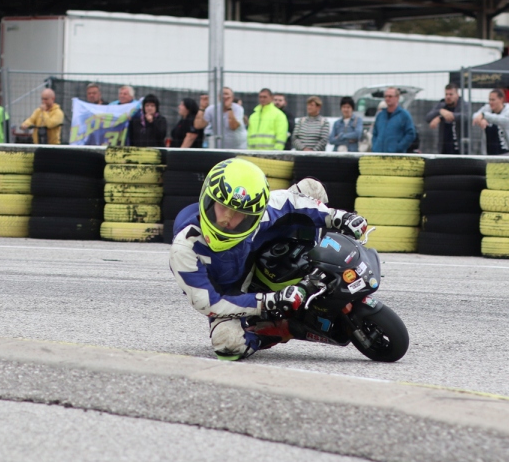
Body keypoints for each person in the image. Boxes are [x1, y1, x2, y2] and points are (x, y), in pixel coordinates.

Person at [168, 157, 368, 361]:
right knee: (228, 343)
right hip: (233, 293)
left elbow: (289, 202)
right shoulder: (184, 248)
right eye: (222, 207)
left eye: (238, 214)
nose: (227, 219)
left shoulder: (256, 211)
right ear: (208, 199)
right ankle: (283, 329)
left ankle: (322, 253)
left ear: (254, 213)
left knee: (311, 188)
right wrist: (268, 302)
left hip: (260, 249)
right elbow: (209, 302)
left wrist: (338, 217)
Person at [473, 89, 509, 156]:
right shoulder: (487, 109)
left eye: (493, 100)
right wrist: (482, 120)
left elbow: (501, 120)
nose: (490, 102)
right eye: (489, 100)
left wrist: (484, 116)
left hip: (508, 154)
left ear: (501, 99)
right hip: (489, 155)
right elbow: (475, 115)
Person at [425, 83, 467, 154]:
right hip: (444, 148)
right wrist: (440, 111)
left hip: (460, 148)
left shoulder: (463, 105)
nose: (448, 97)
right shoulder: (442, 105)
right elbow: (428, 118)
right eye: (446, 94)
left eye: (451, 94)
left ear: (457, 95)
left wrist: (441, 117)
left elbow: (465, 117)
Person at [371, 87, 417, 153]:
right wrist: (375, 147)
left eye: (390, 96)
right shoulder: (380, 115)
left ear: (397, 98)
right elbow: (375, 133)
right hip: (379, 154)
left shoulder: (404, 115)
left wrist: (399, 148)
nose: (387, 98)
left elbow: (410, 134)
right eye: (386, 96)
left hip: (395, 156)